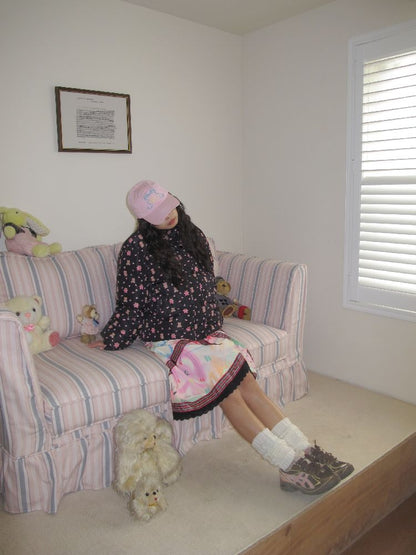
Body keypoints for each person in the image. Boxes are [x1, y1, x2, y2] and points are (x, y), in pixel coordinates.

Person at [91, 180, 353, 495]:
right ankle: (289, 464)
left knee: (249, 384)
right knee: (229, 393)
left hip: (207, 332)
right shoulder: (135, 249)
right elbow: (131, 303)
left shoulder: (192, 234)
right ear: (144, 219)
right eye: (159, 213)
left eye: (170, 206)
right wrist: (113, 337)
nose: (170, 215)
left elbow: (207, 284)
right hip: (172, 338)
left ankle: (305, 451)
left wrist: (213, 319)